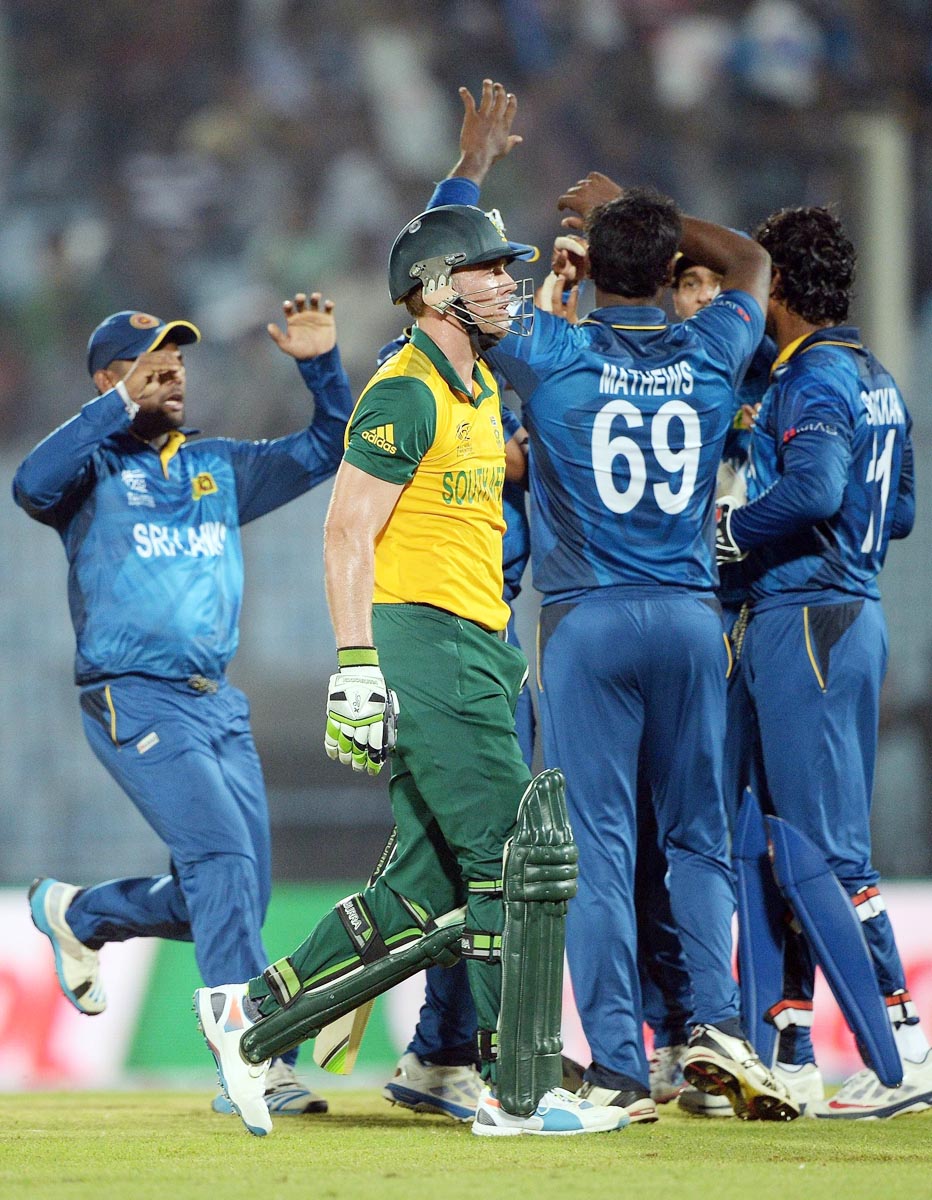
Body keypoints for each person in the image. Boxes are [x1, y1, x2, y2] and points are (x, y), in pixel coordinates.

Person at [193, 199, 629, 1139]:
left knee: (428, 888)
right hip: (427, 644)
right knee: (519, 857)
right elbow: (346, 531)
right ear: (437, 291)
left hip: (480, 648)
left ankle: (244, 1015)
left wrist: (556, 284)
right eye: (487, 271)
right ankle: (519, 1091)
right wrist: (357, 668)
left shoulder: (472, 386)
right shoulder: (405, 389)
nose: (504, 282)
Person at [484, 171, 799, 1121]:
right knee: (701, 841)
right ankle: (718, 1027)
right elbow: (749, 258)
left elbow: (474, 302)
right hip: (692, 618)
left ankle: (620, 1067)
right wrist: (638, 214)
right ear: (671, 269)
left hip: (588, 623)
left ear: (596, 271)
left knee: (598, 853)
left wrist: (564, 268)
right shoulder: (712, 346)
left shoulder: (552, 351)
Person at [15, 293, 354, 1116]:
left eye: (178, 361)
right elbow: (28, 484)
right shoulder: (90, 472)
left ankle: (81, 912)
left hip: (217, 705)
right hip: (132, 695)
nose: (172, 373)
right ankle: (254, 1053)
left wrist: (321, 366)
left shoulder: (218, 468)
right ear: (107, 381)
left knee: (235, 889)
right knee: (224, 867)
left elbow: (332, 446)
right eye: (149, 364)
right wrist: (114, 411)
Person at [716, 205, 931, 1119]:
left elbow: (817, 487)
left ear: (785, 293)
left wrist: (734, 527)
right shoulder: (877, 375)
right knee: (784, 844)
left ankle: (905, 1050)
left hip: (807, 619)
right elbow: (903, 510)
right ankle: (794, 1046)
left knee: (827, 848)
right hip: (850, 612)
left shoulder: (812, 379)